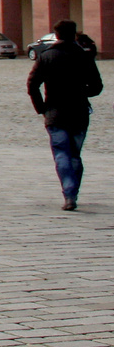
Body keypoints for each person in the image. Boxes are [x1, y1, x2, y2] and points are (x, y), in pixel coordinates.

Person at [28, 19, 103, 211]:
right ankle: (73, 193)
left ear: (57, 35)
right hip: (78, 112)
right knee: (75, 154)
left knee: (61, 153)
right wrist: (81, 92)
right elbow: (97, 86)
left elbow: (32, 84)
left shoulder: (46, 56)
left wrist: (41, 108)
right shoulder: (83, 56)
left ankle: (68, 194)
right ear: (73, 34)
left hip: (55, 112)